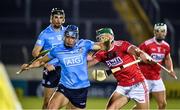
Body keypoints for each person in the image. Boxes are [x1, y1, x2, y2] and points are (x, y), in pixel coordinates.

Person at [21, 25, 104, 109]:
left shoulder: (85, 44)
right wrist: (29, 66)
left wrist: (108, 40)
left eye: (72, 37)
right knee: (50, 108)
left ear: (77, 37)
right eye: (67, 37)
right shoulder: (57, 50)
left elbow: (102, 46)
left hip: (80, 90)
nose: (69, 40)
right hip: (65, 87)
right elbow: (40, 61)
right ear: (64, 36)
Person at [88, 28, 153, 110]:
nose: (101, 41)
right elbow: (88, 64)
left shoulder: (121, 45)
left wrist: (142, 54)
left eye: (103, 37)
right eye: (99, 38)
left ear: (110, 37)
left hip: (138, 84)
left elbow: (136, 51)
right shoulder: (101, 53)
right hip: (122, 86)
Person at [32, 8, 66, 109]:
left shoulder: (67, 32)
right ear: (51, 19)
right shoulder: (45, 34)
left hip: (66, 69)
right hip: (51, 69)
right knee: (47, 101)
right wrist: (46, 64)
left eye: (61, 18)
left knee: (69, 99)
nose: (58, 20)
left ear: (64, 20)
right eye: (56, 17)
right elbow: (35, 53)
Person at [138, 23, 177, 109]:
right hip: (144, 79)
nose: (160, 33)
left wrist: (170, 69)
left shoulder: (166, 46)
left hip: (156, 79)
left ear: (166, 32)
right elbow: (137, 56)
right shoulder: (146, 44)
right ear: (154, 32)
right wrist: (146, 60)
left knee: (163, 104)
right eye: (157, 31)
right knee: (142, 108)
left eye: (163, 31)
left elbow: (167, 58)